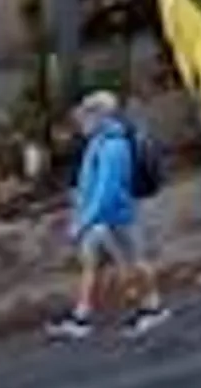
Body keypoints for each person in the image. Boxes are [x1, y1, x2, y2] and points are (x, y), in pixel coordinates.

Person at [52, 89, 166, 339]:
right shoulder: (99, 141)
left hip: (117, 217)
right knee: (92, 264)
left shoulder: (113, 147)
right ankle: (82, 316)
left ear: (99, 116)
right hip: (103, 217)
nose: (80, 122)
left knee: (134, 262)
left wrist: (83, 222)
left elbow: (107, 191)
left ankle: (153, 306)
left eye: (84, 116)